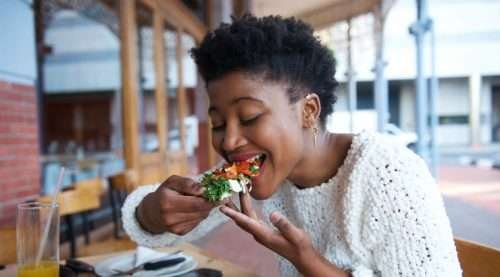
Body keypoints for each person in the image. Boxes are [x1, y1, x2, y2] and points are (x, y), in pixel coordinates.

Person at [122, 14, 461, 277]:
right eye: (219, 123)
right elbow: (152, 224)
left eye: (250, 116)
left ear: (308, 111)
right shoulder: (248, 173)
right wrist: (154, 210)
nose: (228, 140)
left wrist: (307, 261)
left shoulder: (390, 175)